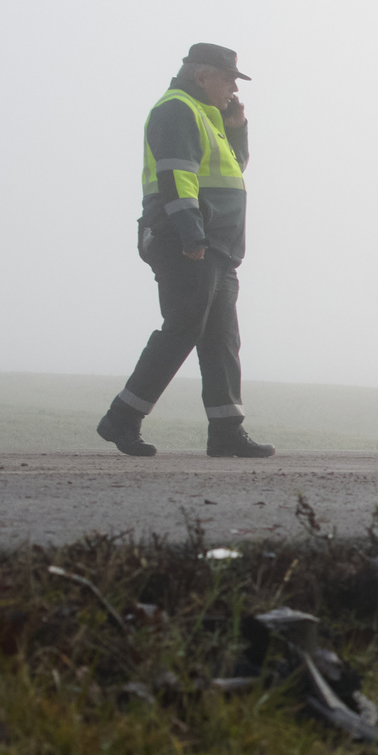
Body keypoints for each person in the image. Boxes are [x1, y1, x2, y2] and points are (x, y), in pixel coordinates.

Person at [97, 42, 275, 458]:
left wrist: (236, 128)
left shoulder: (209, 116)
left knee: (221, 338)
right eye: (229, 79)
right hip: (189, 240)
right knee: (184, 329)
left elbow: (233, 168)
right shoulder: (177, 109)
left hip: (218, 246)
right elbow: (177, 176)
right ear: (202, 77)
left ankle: (227, 431)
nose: (234, 88)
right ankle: (121, 418)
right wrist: (191, 234)